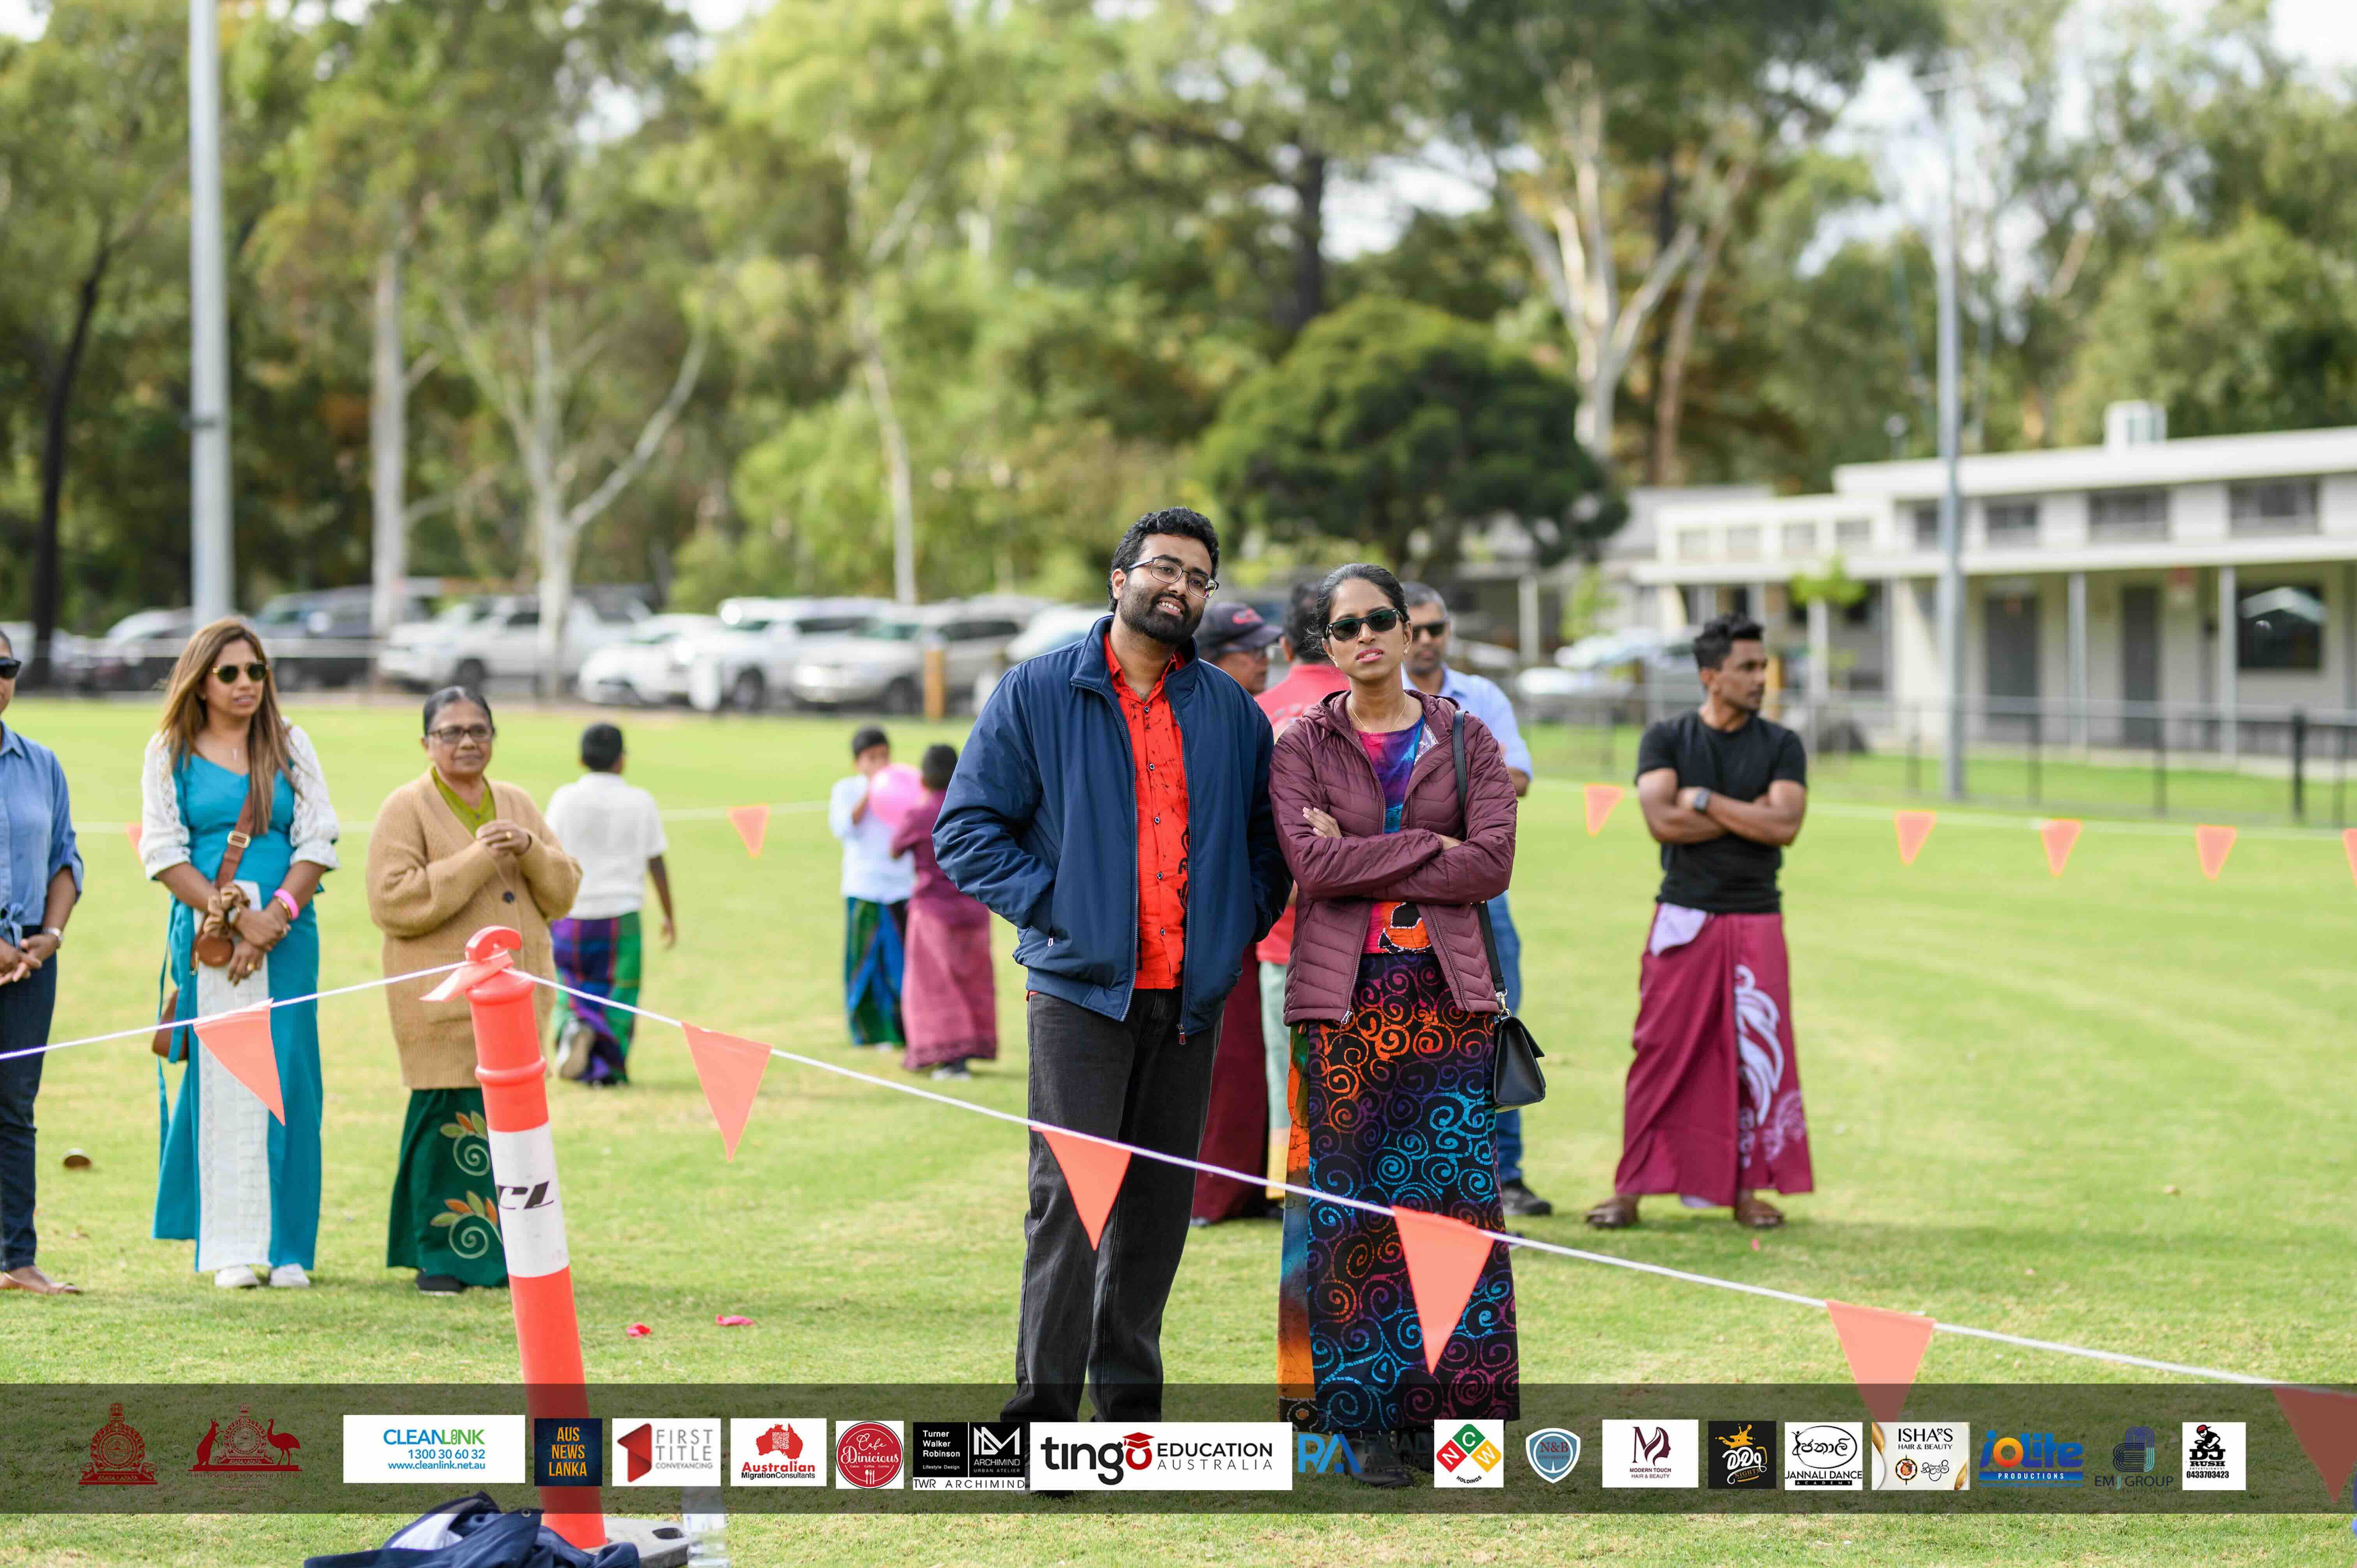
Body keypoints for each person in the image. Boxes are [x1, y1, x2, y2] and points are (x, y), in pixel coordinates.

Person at [935, 505, 1287, 1425]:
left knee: (1156, 1212)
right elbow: (967, 831)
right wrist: (1065, 913)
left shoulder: (1230, 712)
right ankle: (1041, 1412)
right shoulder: (1038, 691)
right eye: (1162, 567)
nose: (1178, 586)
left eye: (1198, 576)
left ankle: (1130, 1411)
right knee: (1071, 1203)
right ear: (1120, 576)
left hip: (1191, 996)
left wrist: (1234, 927)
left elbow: (1267, 845)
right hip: (1079, 991)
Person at [1270, 563, 1520, 1485]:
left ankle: (1456, 1419)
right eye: (1348, 625)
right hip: (1342, 1008)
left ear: (1412, 632)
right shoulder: (1301, 740)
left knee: (1456, 1208)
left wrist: (1360, 847)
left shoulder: (1466, 736)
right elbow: (1308, 862)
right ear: (1326, 643)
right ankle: (1370, 1420)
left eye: (1385, 619)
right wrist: (1428, 847)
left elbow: (1491, 863)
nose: (1370, 634)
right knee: (1354, 1213)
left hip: (1446, 1000)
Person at [1585, 612, 1813, 1231]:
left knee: (1756, 1055)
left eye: (1761, 667)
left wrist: (1707, 801)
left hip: (1758, 919)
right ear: (1711, 676)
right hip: (1683, 916)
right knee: (1659, 1051)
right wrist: (1751, 814)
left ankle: (1749, 1191)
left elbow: (1785, 827)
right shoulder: (1666, 739)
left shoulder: (1782, 745)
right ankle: (1629, 1188)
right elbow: (1663, 822)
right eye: (1747, 668)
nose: (1760, 678)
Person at [143, 620, 339, 1291]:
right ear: (200, 681)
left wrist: (275, 916)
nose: (246, 684)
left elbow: (318, 836)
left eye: (256, 670)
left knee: (289, 1076)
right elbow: (163, 851)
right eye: (230, 673)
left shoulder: (289, 743)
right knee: (227, 1077)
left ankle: (287, 1247)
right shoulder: (170, 749)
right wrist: (229, 916)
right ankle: (230, 1245)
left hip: (288, 933)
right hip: (211, 933)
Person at [366, 688, 581, 1294]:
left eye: (479, 731)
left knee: (512, 1130)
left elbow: (564, 893)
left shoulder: (515, 802)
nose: (467, 743)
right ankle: (441, 1259)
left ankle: (510, 1258)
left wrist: (532, 850)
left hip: (516, 997)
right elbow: (392, 901)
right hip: (444, 1001)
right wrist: (478, 860)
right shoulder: (405, 807)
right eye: (452, 732)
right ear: (427, 743)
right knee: (446, 1127)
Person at [1400, 582, 1551, 1218]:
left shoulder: (1480, 696)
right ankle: (1416, 1168)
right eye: (1416, 629)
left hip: (1480, 895)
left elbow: (1516, 776)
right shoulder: (1376, 702)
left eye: (1437, 628)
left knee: (1495, 1024)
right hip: (1399, 899)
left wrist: (1440, 789)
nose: (1427, 640)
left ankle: (1505, 1173)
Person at [1249, 580, 1350, 1195]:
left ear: (1287, 645)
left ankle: (1301, 1213)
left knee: (1292, 1094)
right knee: (1370, 1091)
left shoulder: (1258, 713)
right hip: (1376, 938)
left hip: (1283, 941)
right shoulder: (1387, 707)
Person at [1187, 600, 1284, 1223]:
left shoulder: (1253, 719)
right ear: (1218, 658)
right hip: (1199, 917)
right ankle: (1212, 1194)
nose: (1264, 660)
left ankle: (1252, 1187)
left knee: (1251, 1060)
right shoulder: (1199, 717)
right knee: (1219, 1062)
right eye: (1251, 651)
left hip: (1248, 915)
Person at [0, 629, 83, 1296]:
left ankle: (16, 1258)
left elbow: (66, 860)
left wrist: (50, 934)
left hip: (28, 962)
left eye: (6, 666)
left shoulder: (42, 762)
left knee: (15, 1106)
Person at [544, 722, 673, 1088]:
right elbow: (656, 861)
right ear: (621, 761)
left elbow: (549, 855)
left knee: (568, 984)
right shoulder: (641, 801)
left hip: (571, 913)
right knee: (620, 993)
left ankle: (573, 1027)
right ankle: (609, 1070)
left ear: (581, 759)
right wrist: (668, 913)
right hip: (622, 914)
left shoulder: (564, 798)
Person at [888, 743, 997, 1081]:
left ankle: (949, 1059)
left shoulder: (919, 816)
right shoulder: (974, 812)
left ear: (924, 777)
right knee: (972, 981)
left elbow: (895, 850)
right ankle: (971, 1050)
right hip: (975, 908)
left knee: (936, 986)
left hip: (933, 911)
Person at [830, 726, 913, 1049]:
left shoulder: (905, 785)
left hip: (900, 888)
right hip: (863, 888)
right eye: (871, 758)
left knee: (900, 963)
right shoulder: (846, 789)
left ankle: (903, 1030)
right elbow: (843, 827)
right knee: (863, 962)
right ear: (858, 763)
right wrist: (872, 791)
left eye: (884, 756)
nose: (879, 763)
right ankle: (867, 1031)